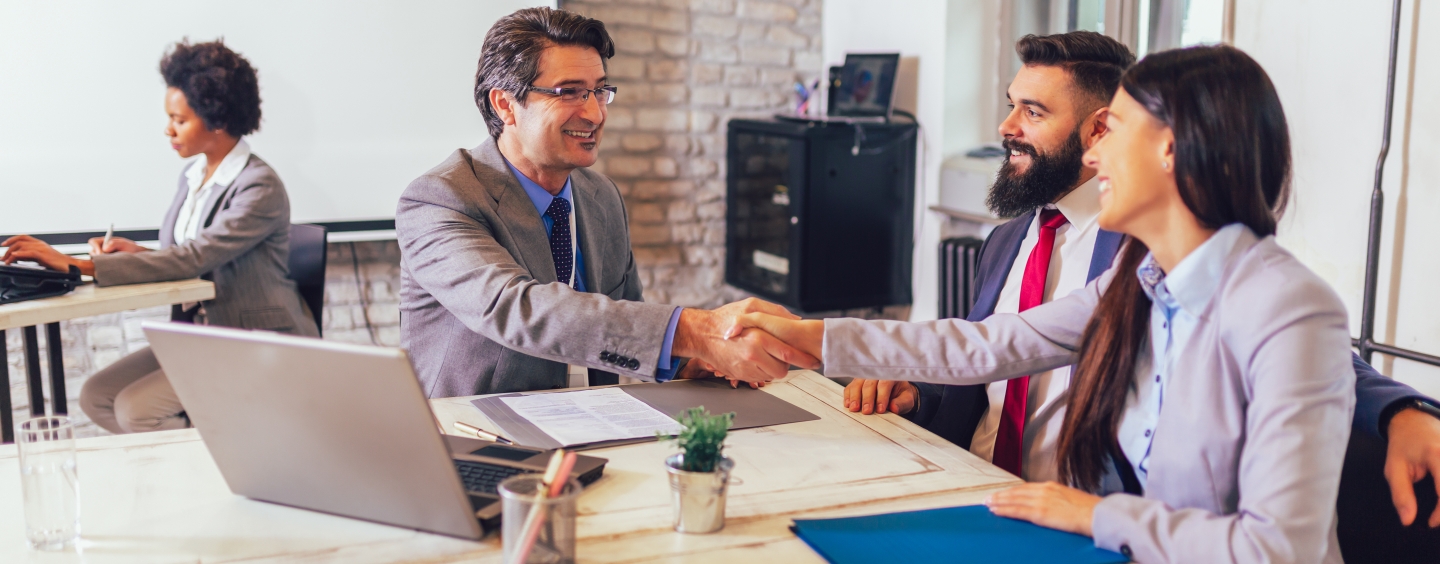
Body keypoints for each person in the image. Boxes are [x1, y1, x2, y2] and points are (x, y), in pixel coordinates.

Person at [729, 45, 1367, 562]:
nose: (1093, 154)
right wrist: (811, 336)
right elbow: (986, 344)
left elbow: (1280, 550)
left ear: (1170, 149)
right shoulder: (1140, 282)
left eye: (1110, 132)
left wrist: (1095, 514)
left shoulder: (1289, 307)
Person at [843, 31, 1440, 531]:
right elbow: (991, 348)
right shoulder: (1111, 267)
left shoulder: (1169, 262)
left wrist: (1403, 409)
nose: (1005, 126)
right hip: (991, 498)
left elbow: (1305, 346)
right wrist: (820, 344)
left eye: (1035, 111)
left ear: (1166, 148)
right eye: (1012, 104)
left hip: (1085, 522)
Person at [396, 7, 815, 398]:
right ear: (505, 104)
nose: (595, 114)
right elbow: (518, 308)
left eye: (600, 91)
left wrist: (688, 359)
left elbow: (622, 315)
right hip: (472, 443)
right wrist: (699, 331)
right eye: (570, 92)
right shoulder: (440, 199)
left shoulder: (601, 196)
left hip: (593, 424)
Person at [2, 39, 318, 433]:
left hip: (259, 342)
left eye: (180, 120)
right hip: (201, 336)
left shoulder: (259, 186)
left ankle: (217, 468)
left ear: (217, 119)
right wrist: (132, 253)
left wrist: (78, 265)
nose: (168, 129)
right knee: (97, 397)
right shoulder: (193, 177)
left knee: (136, 410)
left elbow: (192, 258)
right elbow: (183, 255)